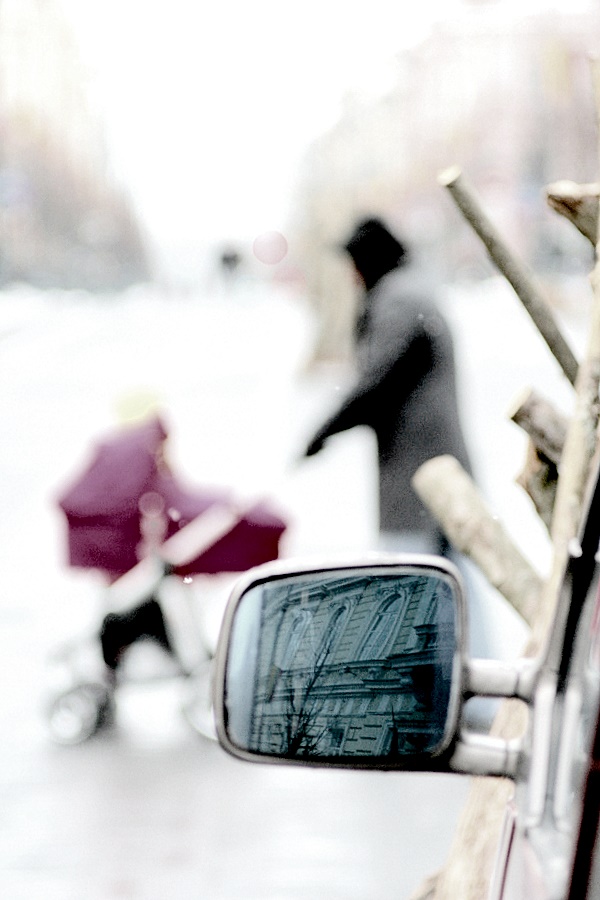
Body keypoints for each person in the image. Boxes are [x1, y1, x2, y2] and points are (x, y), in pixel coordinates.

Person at [304, 216, 472, 555]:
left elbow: (376, 384)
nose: (352, 277)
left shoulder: (399, 301)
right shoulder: (408, 291)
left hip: (420, 471)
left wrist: (322, 432)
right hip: (432, 469)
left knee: (419, 571)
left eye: (354, 265)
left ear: (369, 260)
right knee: (450, 565)